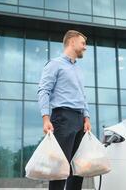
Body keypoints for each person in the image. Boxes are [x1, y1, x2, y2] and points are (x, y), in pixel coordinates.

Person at [38, 30, 91, 190]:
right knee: (60, 169)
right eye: (83, 43)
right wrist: (45, 118)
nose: (85, 47)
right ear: (72, 42)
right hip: (62, 119)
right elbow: (43, 90)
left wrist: (87, 118)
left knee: (78, 169)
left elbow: (83, 96)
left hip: (80, 120)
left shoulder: (79, 70)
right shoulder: (55, 64)